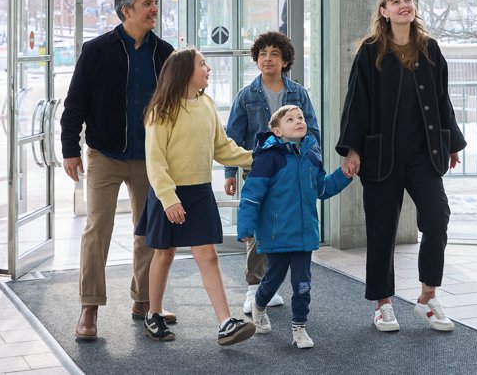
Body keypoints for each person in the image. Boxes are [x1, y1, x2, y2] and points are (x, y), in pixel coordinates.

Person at [336, 0, 467, 333]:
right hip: (381, 156)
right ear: (384, 12)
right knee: (382, 230)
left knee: (437, 218)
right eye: (395, 2)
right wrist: (352, 149)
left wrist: (451, 143)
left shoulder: (430, 49)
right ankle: (382, 304)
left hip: (424, 155)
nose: (403, 5)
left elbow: (442, 101)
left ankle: (427, 297)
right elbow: (357, 104)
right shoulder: (370, 52)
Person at [61, 0, 175, 340]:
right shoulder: (96, 51)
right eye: (147, 4)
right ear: (126, 11)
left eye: (155, 2)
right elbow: (75, 102)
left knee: (147, 231)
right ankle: (89, 307)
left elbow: (176, 105)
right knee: (98, 229)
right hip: (105, 153)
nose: (154, 9)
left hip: (149, 157)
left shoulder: (165, 53)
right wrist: (69, 149)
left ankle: (143, 301)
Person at [135, 47, 256, 345]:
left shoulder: (207, 105)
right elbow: (155, 160)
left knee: (208, 256)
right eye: (203, 64)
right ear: (184, 72)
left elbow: (223, 148)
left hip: (200, 191)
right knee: (164, 254)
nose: (208, 69)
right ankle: (153, 313)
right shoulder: (160, 111)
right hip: (170, 192)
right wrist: (168, 198)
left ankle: (226, 322)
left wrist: (258, 158)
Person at [236, 105, 353, 348]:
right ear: (277, 131)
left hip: (304, 234)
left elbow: (322, 189)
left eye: (300, 117)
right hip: (277, 235)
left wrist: (343, 175)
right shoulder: (268, 158)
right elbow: (251, 196)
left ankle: (299, 327)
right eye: (290, 119)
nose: (298, 121)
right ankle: (259, 305)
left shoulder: (312, 156)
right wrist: (246, 228)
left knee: (303, 284)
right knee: (272, 280)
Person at [224, 31, 321, 315]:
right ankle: (255, 286)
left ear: (285, 60)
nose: (268, 59)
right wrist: (230, 172)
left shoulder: (298, 93)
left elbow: (312, 130)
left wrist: (314, 161)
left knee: (284, 222)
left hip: (294, 168)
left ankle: (273, 281)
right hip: (257, 169)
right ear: (256, 60)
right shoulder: (247, 95)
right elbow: (233, 136)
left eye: (275, 54)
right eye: (263, 54)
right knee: (258, 226)